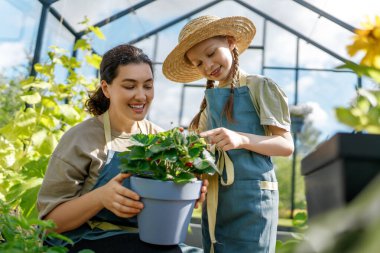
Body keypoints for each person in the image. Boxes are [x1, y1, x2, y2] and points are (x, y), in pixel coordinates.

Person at [37, 44, 206, 253]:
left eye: (148, 85)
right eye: (129, 86)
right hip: (88, 239)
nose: (141, 96)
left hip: (148, 237)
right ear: (106, 88)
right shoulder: (81, 138)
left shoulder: (160, 139)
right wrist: (101, 197)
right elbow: (49, 224)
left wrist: (185, 190)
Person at [162, 15, 294, 253]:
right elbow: (198, 151)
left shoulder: (259, 86)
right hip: (217, 199)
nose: (208, 65)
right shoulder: (208, 106)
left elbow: (285, 145)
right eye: (199, 63)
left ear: (231, 41)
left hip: (253, 199)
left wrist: (241, 139)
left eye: (211, 53)